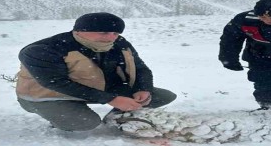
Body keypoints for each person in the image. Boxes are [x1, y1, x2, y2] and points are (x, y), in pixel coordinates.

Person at [16, 12, 176, 131]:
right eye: (104, 32)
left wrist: (143, 88)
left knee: (161, 96)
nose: (110, 37)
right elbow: (56, 83)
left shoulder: (119, 43)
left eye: (115, 33)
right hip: (46, 96)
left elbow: (140, 68)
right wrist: (111, 98)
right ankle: (59, 118)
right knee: (85, 123)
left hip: (97, 88)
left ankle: (117, 118)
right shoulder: (42, 50)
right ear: (79, 30)